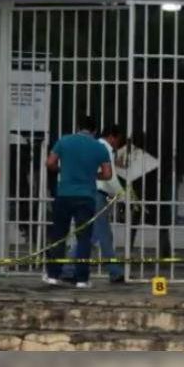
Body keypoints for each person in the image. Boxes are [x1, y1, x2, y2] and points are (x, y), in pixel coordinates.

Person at [44, 116, 112, 289]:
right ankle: (82, 279)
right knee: (84, 239)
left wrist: (61, 169)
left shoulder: (64, 141)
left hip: (64, 194)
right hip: (86, 197)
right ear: (95, 130)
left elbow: (50, 163)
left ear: (78, 126)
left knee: (59, 236)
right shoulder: (99, 147)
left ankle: (53, 275)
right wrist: (92, 175)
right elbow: (107, 174)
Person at [61, 125, 127, 283]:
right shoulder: (104, 148)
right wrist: (122, 194)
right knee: (97, 235)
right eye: (118, 140)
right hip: (98, 195)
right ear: (112, 136)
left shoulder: (91, 147)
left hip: (88, 192)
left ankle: (113, 271)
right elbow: (109, 177)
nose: (118, 144)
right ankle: (69, 269)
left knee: (96, 235)